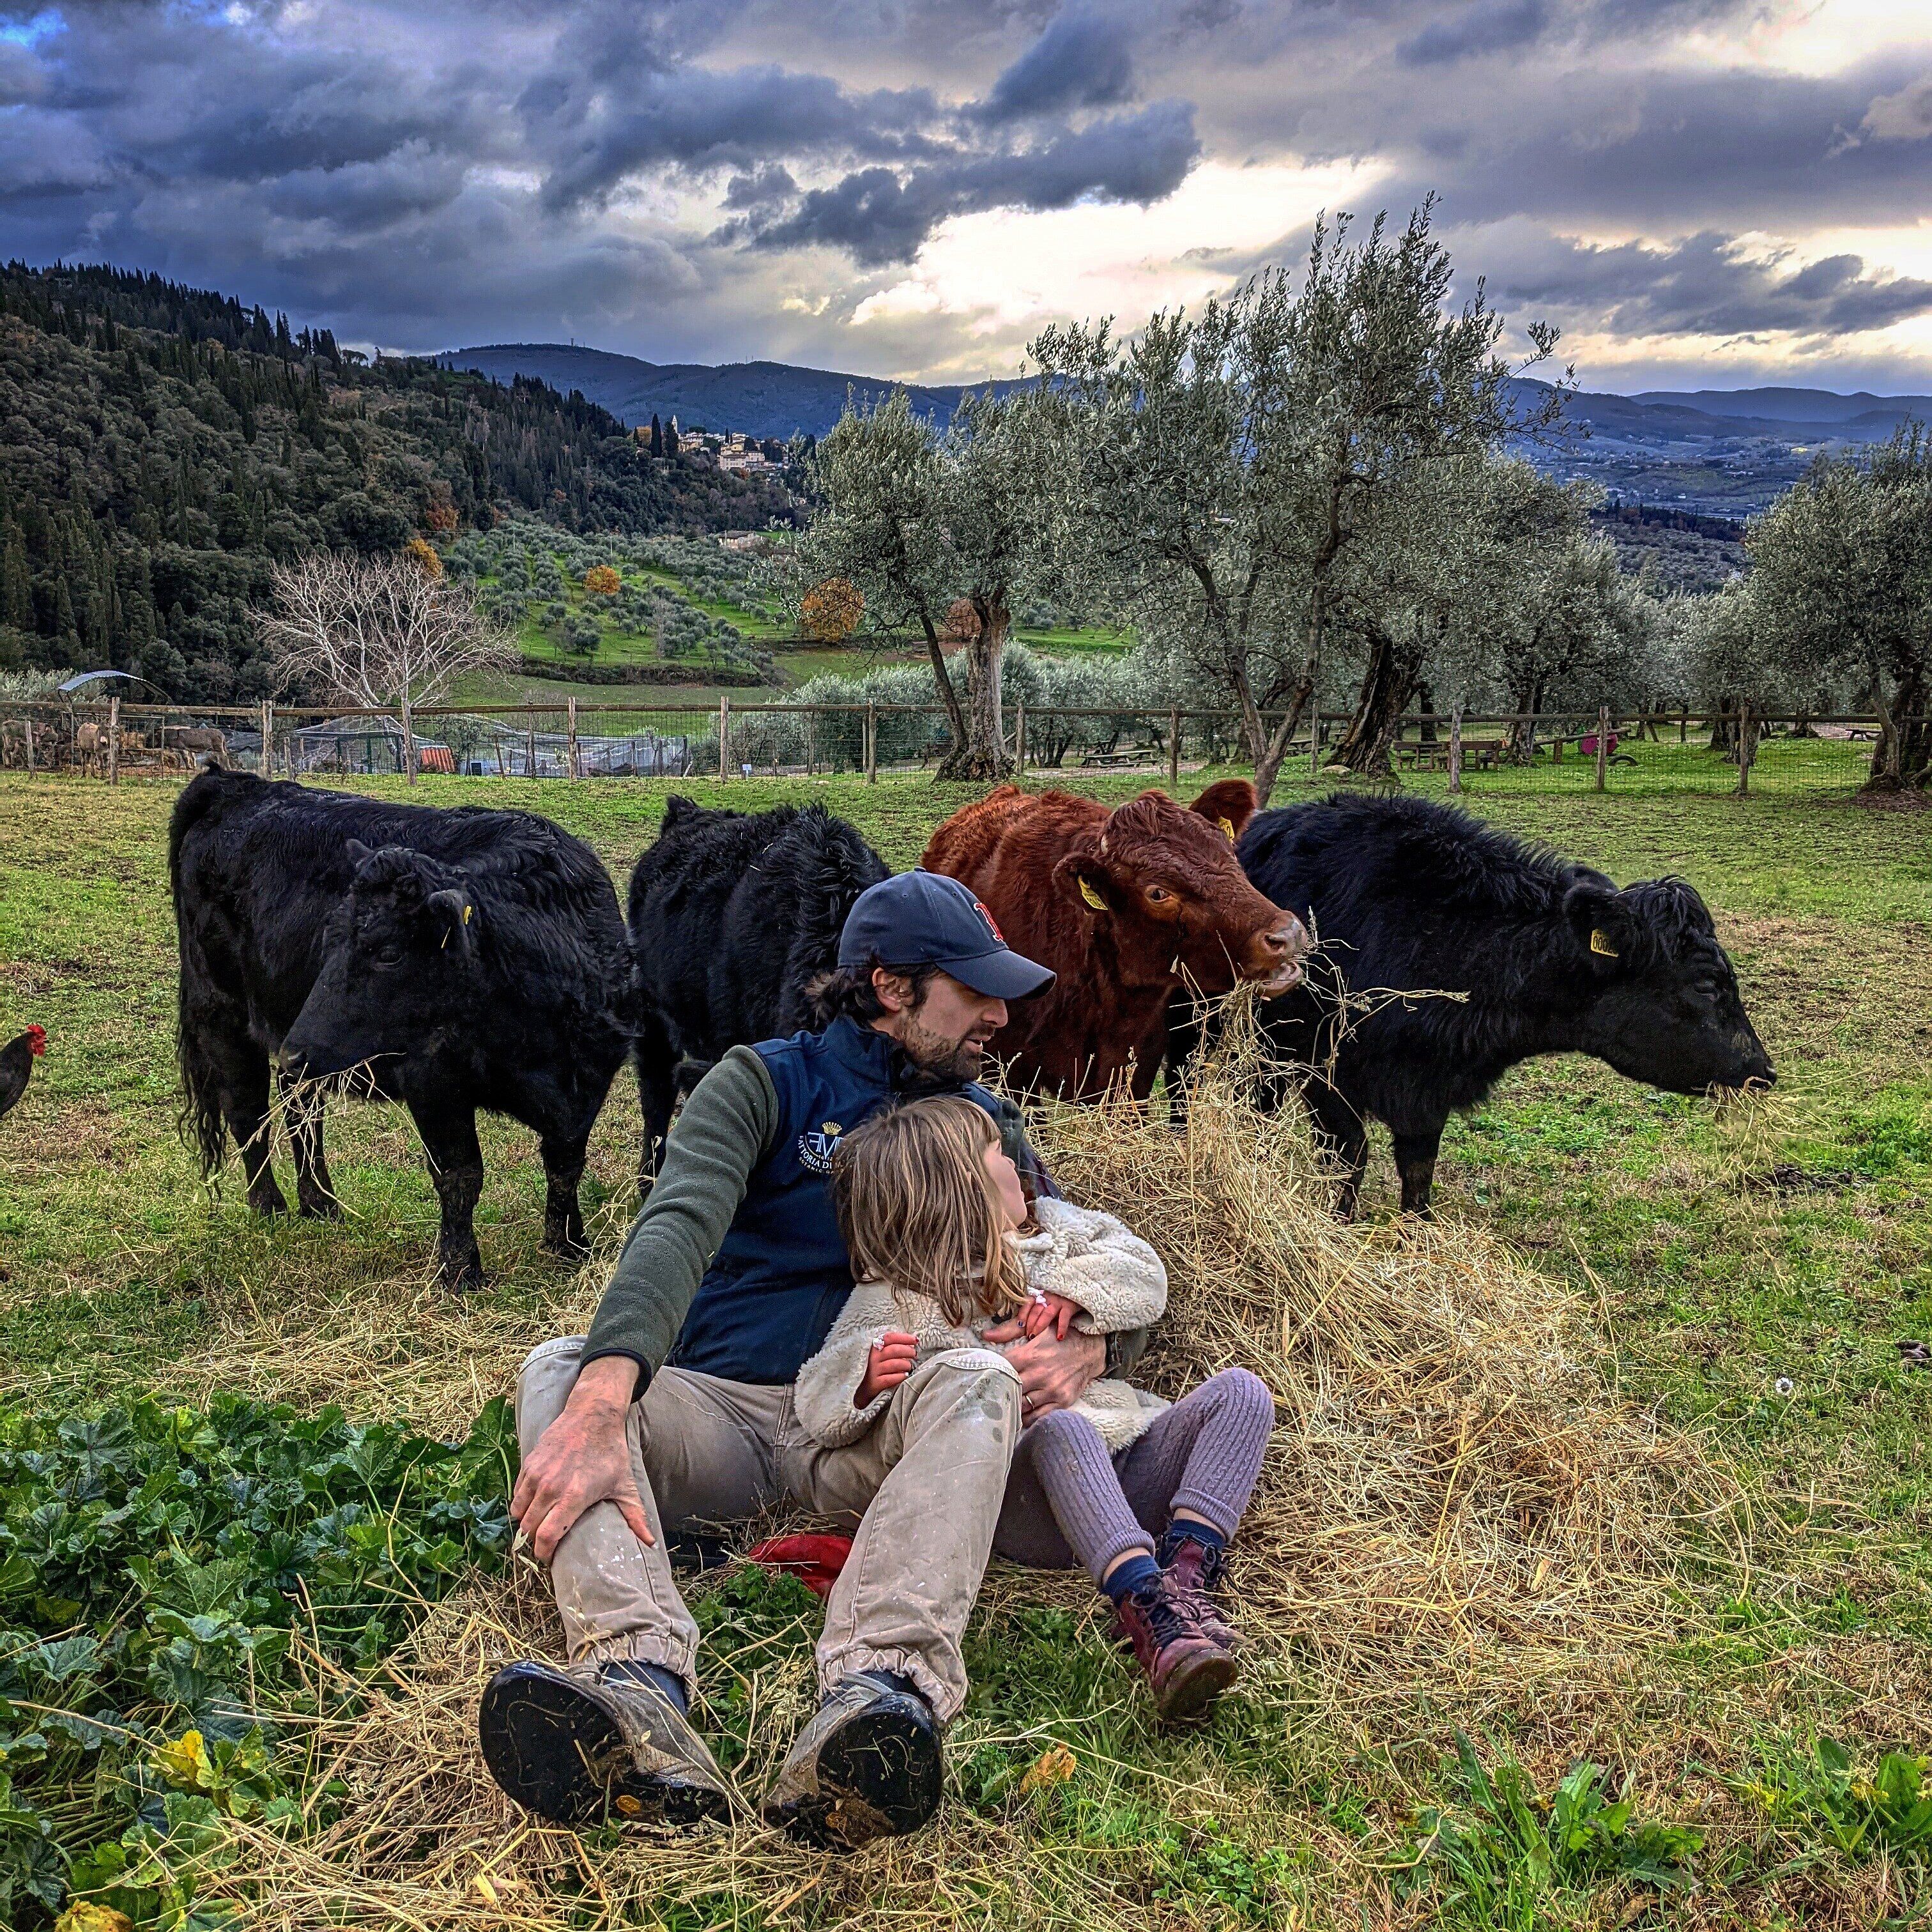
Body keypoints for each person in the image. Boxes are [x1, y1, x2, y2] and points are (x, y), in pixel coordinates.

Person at [480, 871, 1132, 1850]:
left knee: (976, 1376)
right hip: (728, 1416)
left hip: (873, 1434)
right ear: (888, 985)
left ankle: (878, 1697)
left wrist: (1093, 1337)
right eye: (974, 989)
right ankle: (635, 1685)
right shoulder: (761, 1081)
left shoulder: (983, 1118)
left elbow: (1067, 1244)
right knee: (559, 1370)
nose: (1002, 1014)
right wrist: (605, 1400)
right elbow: (676, 1225)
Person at [799, 1096, 1275, 1723]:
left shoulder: (1058, 1232)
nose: (1017, 1159)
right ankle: (1145, 1609)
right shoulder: (907, 1296)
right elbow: (818, 1386)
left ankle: (1186, 1580)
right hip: (1027, 1499)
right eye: (997, 1152)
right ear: (960, 1187)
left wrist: (1073, 1298)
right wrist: (864, 1384)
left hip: (1125, 1460)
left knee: (1243, 1393)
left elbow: (1145, 1274)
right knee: (1061, 1430)